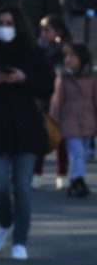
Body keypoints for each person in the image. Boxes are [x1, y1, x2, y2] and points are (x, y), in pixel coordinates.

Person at [0, 5, 54, 260]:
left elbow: (47, 88)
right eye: (1, 22)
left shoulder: (33, 53)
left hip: (27, 129)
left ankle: (20, 241)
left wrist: (24, 78)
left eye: (9, 22)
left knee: (23, 187)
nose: (5, 27)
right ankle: (6, 222)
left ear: (19, 25)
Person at [50, 43, 97, 197]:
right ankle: (78, 179)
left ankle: (74, 178)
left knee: (82, 152)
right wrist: (54, 121)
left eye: (72, 56)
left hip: (87, 119)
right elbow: (57, 101)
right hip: (69, 120)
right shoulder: (63, 78)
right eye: (67, 56)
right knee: (76, 151)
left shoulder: (91, 77)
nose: (68, 59)